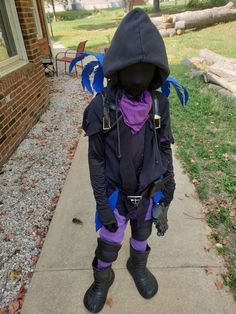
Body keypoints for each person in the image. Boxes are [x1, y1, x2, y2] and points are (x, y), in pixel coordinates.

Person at [82, 8, 175, 313]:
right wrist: (101, 204)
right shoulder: (101, 109)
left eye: (145, 68)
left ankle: (138, 266)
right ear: (118, 68)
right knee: (109, 241)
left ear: (156, 70)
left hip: (149, 191)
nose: (138, 76)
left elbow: (164, 148)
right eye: (131, 68)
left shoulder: (159, 104)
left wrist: (168, 190)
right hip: (115, 193)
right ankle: (102, 277)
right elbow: (95, 161)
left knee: (143, 234)